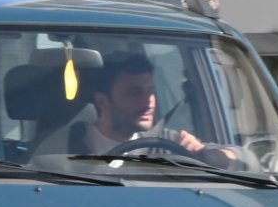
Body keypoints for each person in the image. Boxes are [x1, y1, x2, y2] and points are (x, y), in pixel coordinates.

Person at [44, 55, 236, 163]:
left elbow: (243, 157)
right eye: (134, 93)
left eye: (150, 91)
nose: (148, 102)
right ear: (102, 101)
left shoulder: (168, 143)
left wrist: (206, 155)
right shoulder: (66, 143)